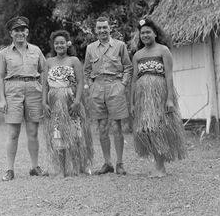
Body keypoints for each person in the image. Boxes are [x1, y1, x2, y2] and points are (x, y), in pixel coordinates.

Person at [0, 16, 47, 181]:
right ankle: (10, 169)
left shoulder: (36, 51)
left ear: (27, 32)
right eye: (17, 30)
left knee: (33, 132)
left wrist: (43, 94)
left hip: (33, 90)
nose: (20, 33)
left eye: (23, 30)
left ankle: (35, 167)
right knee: (13, 132)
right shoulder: (4, 53)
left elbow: (44, 71)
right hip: (13, 91)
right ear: (11, 33)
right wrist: (1, 99)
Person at [130, 18, 187, 177]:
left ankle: (160, 168)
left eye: (148, 32)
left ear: (155, 33)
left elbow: (169, 76)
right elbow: (134, 80)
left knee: (158, 128)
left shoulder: (163, 50)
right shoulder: (137, 55)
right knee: (147, 129)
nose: (145, 35)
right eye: (142, 33)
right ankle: (158, 164)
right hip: (143, 98)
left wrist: (169, 98)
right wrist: (132, 103)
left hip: (160, 95)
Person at [84, 16, 133, 175]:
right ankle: (107, 163)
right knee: (102, 127)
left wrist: (123, 85)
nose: (102, 30)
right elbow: (86, 70)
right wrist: (91, 86)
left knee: (116, 126)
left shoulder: (120, 45)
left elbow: (128, 67)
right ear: (95, 30)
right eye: (99, 28)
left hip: (115, 86)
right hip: (97, 88)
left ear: (109, 28)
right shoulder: (90, 48)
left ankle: (119, 163)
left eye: (105, 27)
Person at [42, 30, 93, 177]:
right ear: (53, 45)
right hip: (55, 102)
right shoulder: (49, 62)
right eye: (56, 43)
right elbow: (45, 84)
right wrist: (44, 103)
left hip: (71, 100)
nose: (59, 45)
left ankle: (76, 167)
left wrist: (77, 101)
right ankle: (61, 169)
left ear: (67, 44)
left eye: (62, 43)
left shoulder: (74, 61)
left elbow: (80, 82)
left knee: (75, 134)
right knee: (58, 134)